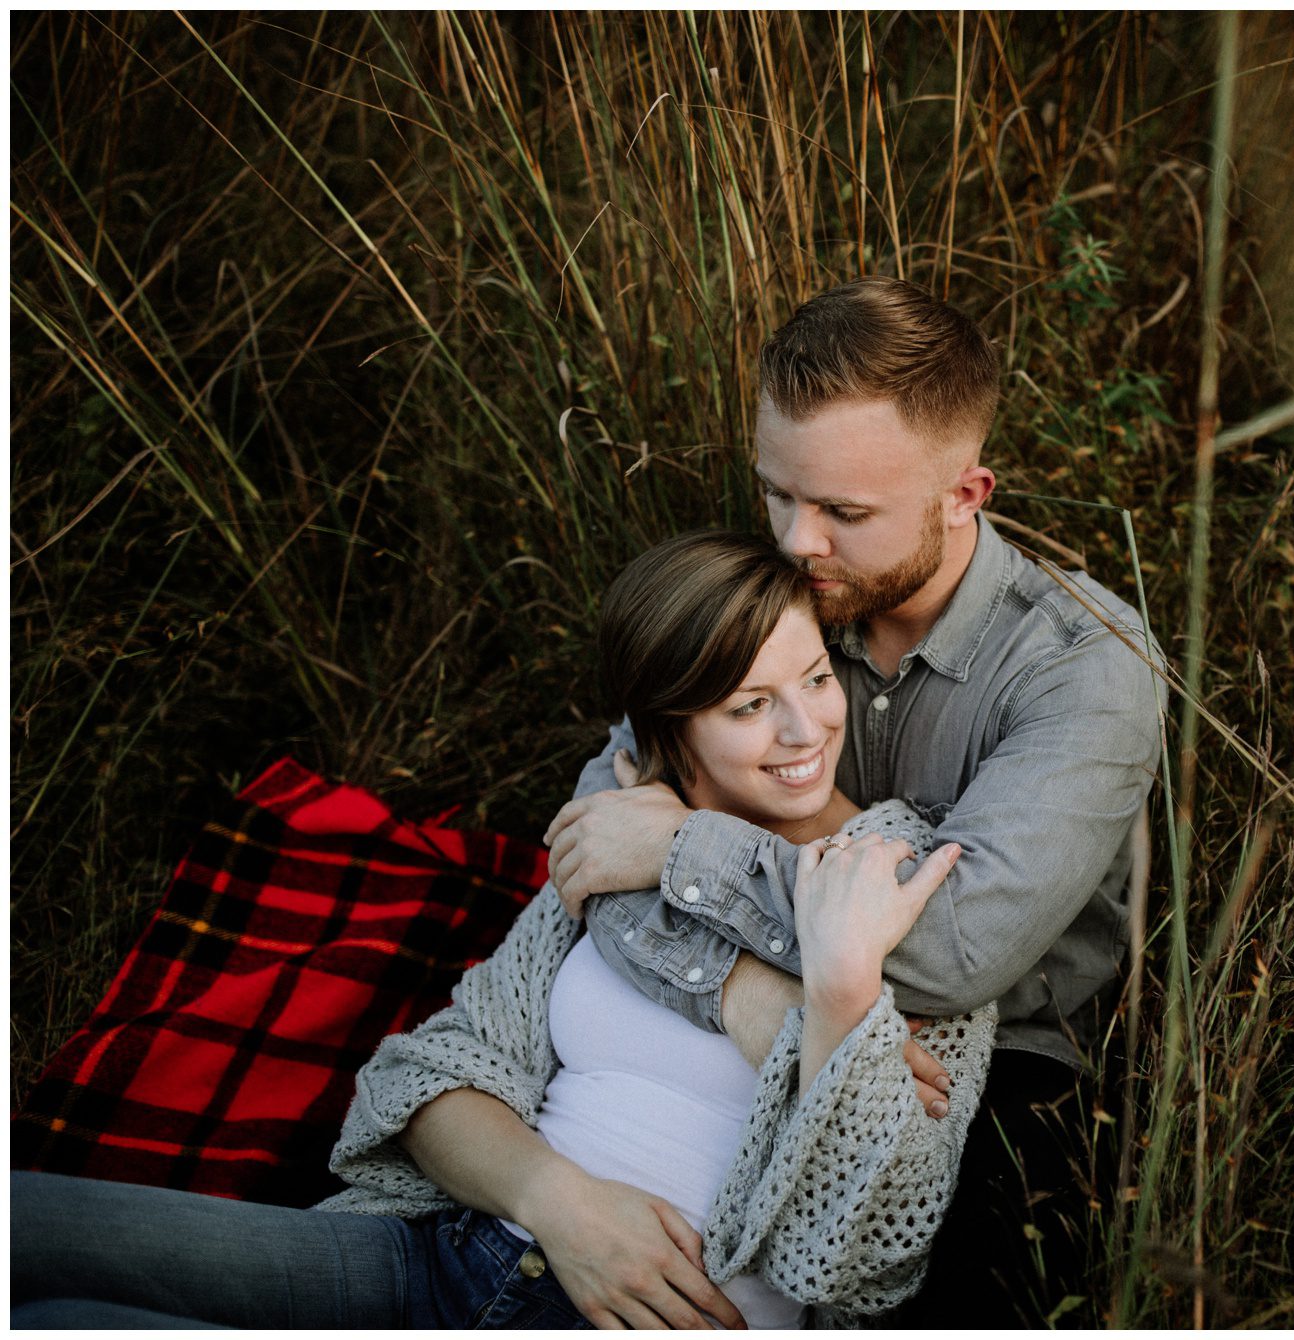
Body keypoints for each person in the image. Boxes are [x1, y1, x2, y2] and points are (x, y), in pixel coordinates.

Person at [13, 531, 996, 1329]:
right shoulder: (623, 838)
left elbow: (864, 1258)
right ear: (669, 728)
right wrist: (558, 1200)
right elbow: (434, 1076)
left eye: (815, 677)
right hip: (445, 1252)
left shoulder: (889, 876)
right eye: (748, 705)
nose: (805, 729)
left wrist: (832, 998)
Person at [546, 276, 1164, 1323]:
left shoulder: (1083, 666)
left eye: (840, 510)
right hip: (739, 1004)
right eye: (775, 492)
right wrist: (755, 1002)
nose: (793, 541)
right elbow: (596, 836)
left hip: (984, 1061)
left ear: (964, 493)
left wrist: (689, 849)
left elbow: (948, 952)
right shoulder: (794, 586)